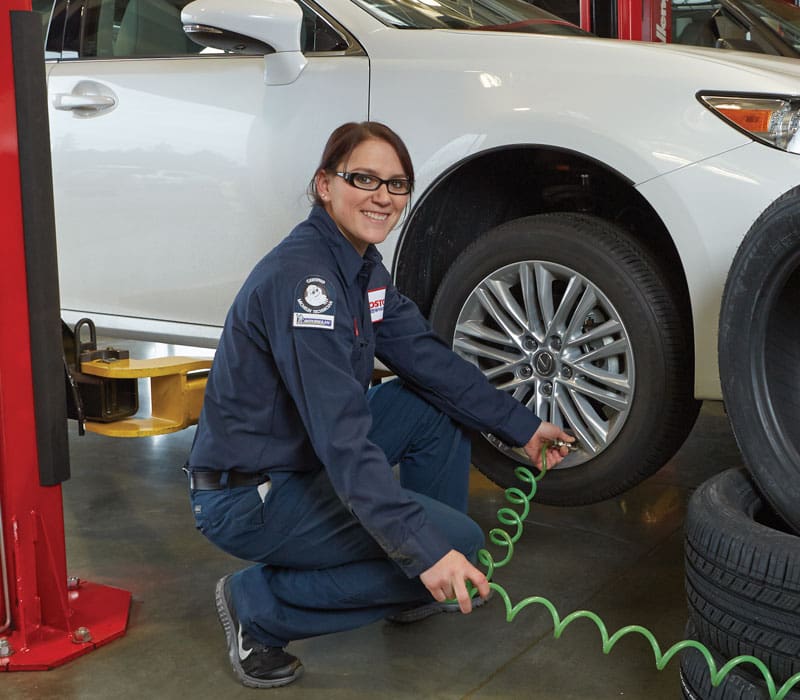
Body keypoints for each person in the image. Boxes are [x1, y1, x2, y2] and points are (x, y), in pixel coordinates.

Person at [186, 121, 574, 689]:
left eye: (397, 184)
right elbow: (340, 436)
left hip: (300, 460)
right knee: (450, 544)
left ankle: (422, 581)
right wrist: (422, 549)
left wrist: (520, 426)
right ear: (324, 184)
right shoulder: (306, 283)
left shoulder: (361, 265)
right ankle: (258, 607)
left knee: (431, 403)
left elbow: (425, 359)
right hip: (250, 493)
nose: (382, 197)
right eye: (363, 178)